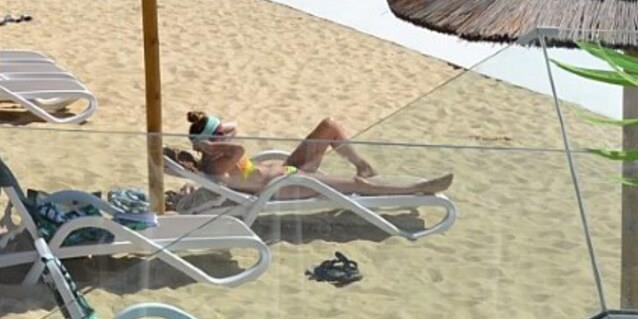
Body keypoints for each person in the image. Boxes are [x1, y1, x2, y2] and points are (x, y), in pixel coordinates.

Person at [175, 111, 453, 197]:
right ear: (211, 143)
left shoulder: (216, 157)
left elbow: (233, 130)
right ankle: (417, 188)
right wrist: (210, 147)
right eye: (221, 134)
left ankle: (363, 165)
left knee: (329, 126)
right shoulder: (217, 163)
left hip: (288, 169)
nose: (230, 133)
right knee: (357, 186)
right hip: (286, 186)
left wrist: (209, 141)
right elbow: (239, 150)